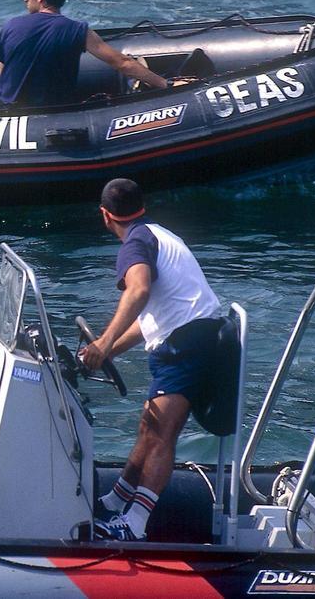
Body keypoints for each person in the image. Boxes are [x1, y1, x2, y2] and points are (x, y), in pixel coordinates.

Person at [79, 178, 224, 542]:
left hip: (187, 345)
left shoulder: (135, 245)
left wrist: (105, 339)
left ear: (104, 215)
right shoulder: (157, 233)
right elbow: (153, 320)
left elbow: (139, 291)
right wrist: (104, 350)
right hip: (192, 337)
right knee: (149, 427)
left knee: (161, 434)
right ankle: (115, 502)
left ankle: (136, 524)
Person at [0, 0, 168, 107]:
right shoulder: (76, 30)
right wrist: (166, 84)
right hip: (51, 117)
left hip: (7, 117)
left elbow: (2, 75)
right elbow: (123, 63)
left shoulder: (10, 26)